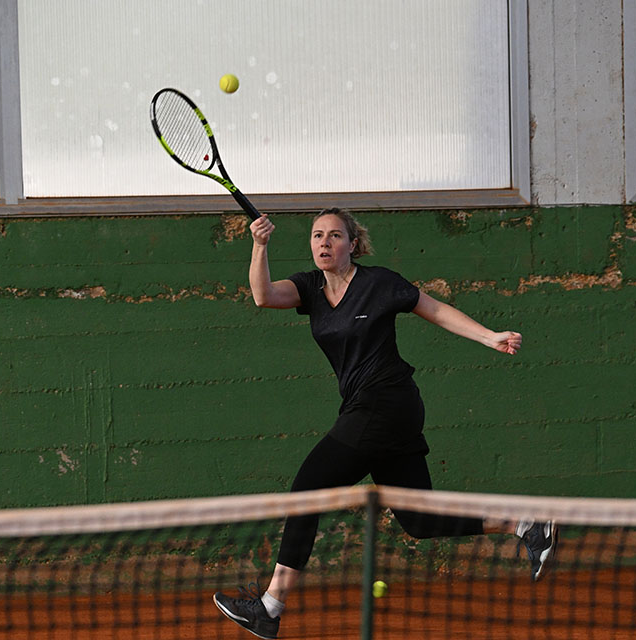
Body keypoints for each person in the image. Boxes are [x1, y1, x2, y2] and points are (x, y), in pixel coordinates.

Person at [213, 208, 555, 639]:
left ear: (352, 244)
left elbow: (434, 309)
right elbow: (263, 295)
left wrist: (490, 336)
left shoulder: (378, 283)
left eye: (335, 235)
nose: (324, 243)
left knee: (307, 492)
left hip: (386, 403)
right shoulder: (309, 288)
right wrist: (259, 244)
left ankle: (270, 607)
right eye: (317, 235)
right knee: (419, 521)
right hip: (373, 411)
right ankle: (525, 523)